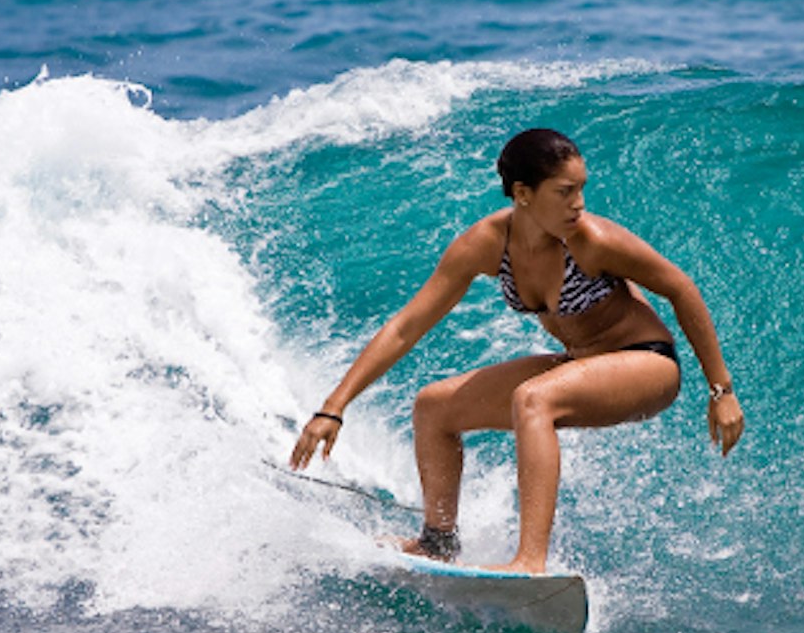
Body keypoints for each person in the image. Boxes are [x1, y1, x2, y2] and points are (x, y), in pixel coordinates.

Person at [289, 128, 744, 573]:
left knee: (533, 398)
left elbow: (681, 288)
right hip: (583, 362)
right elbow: (407, 326)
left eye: (582, 189)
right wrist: (334, 407)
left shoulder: (592, 240)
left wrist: (720, 392)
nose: (579, 203)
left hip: (646, 362)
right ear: (523, 193)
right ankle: (437, 543)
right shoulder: (486, 245)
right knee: (434, 406)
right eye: (565, 191)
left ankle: (530, 562)